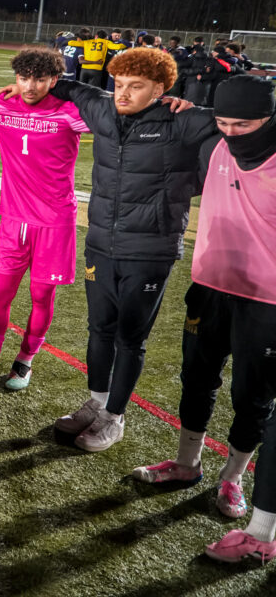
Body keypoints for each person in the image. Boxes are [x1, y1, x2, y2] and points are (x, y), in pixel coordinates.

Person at [41, 48, 216, 452]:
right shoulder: (103, 110)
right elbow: (66, 86)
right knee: (99, 329)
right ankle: (98, 404)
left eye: (136, 87)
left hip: (149, 250)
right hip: (101, 243)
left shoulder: (182, 119)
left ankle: (114, 417)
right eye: (119, 84)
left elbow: (240, 126)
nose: (122, 93)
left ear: (161, 88)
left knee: (129, 338)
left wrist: (187, 184)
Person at [132, 76, 276, 528]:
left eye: (244, 124)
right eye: (223, 121)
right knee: (196, 378)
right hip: (210, 286)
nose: (232, 131)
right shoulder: (211, 140)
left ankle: (233, 477)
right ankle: (186, 463)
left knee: (251, 395)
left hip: (268, 302)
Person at [0, 47, 88, 391]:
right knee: (0, 295)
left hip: (55, 223)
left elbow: (113, 111)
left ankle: (25, 361)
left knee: (41, 297)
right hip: (13, 221)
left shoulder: (69, 113)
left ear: (55, 80)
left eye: (39, 79)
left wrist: (67, 90)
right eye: (23, 78)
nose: (29, 86)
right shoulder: (0, 103)